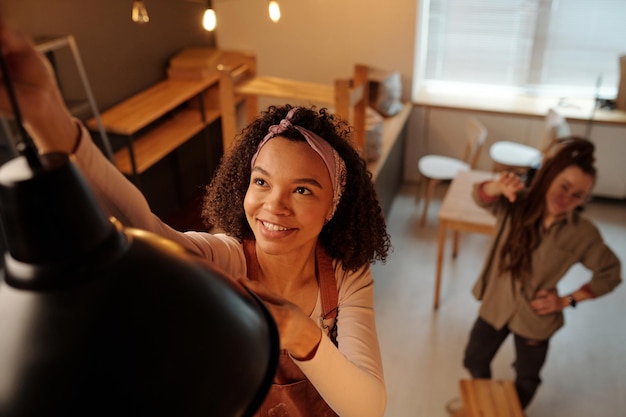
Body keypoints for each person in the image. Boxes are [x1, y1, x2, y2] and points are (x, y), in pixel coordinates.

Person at [0, 22, 390, 417]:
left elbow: (368, 408)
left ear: (332, 207)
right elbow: (141, 226)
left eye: (303, 190)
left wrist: (301, 334)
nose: (275, 205)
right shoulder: (227, 260)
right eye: (262, 182)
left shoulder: (346, 277)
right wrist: (46, 113)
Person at [463, 137, 622, 409]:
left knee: (527, 377)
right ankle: (487, 407)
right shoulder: (515, 202)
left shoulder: (582, 234)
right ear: (549, 176)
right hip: (497, 303)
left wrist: (567, 300)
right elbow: (481, 196)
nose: (566, 199)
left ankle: (511, 411)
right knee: (474, 360)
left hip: (536, 317)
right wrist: (497, 185)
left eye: (578, 195)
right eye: (564, 186)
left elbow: (610, 273)